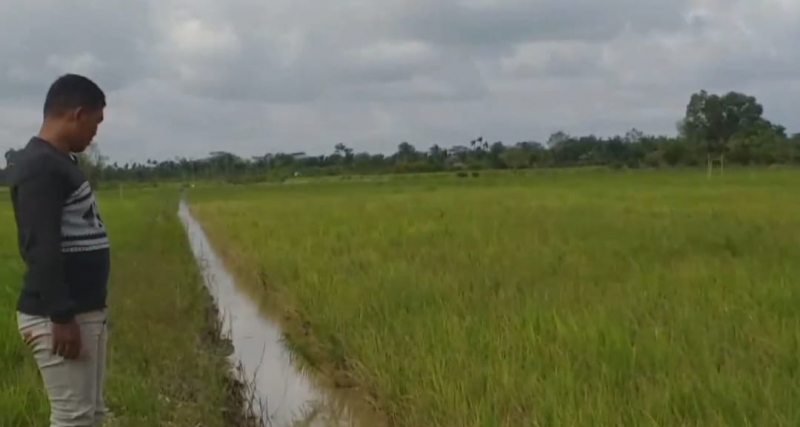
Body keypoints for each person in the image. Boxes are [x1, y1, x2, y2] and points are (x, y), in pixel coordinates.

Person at [8, 74, 111, 427]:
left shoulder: (60, 162)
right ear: (77, 114)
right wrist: (62, 317)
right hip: (61, 317)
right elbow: (41, 246)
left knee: (90, 415)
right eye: (94, 125)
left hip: (82, 312)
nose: (94, 135)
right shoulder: (40, 167)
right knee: (73, 419)